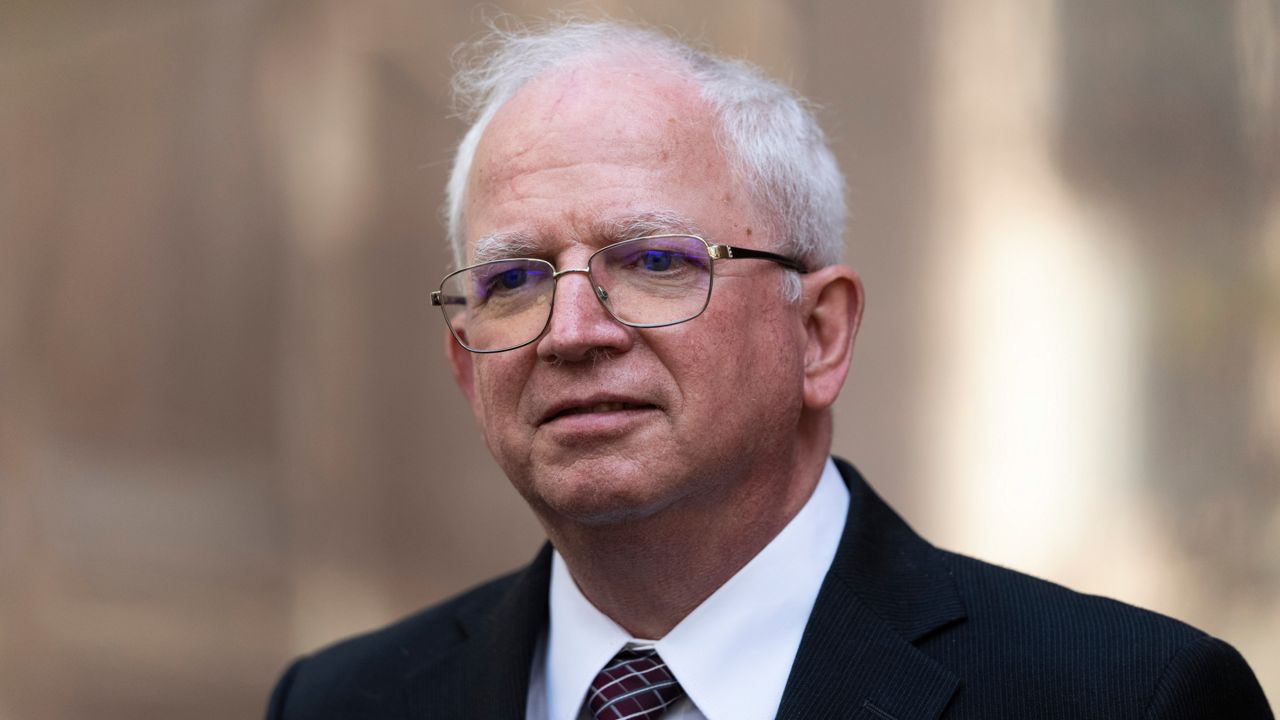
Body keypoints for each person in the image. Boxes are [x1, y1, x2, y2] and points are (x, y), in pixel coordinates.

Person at [266, 19, 1272, 720]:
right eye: (516, 278)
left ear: (820, 334)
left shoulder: (1119, 701)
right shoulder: (341, 703)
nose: (569, 330)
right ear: (462, 363)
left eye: (653, 261)